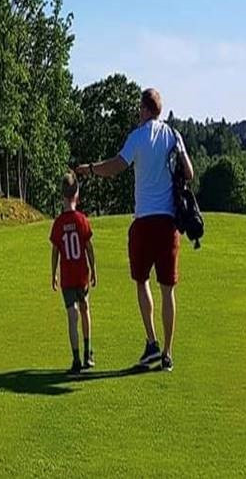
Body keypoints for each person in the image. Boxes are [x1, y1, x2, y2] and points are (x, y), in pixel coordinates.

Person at [76, 87, 194, 372]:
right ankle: (166, 354)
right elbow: (189, 172)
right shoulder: (173, 136)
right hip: (168, 223)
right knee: (168, 290)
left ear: (144, 109)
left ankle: (151, 342)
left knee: (141, 281)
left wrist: (89, 169)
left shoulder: (138, 136)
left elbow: (116, 166)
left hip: (143, 222)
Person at [50, 172, 97, 374]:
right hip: (82, 276)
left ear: (62, 196)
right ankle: (88, 353)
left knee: (72, 316)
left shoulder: (59, 223)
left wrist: (53, 274)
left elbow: (55, 252)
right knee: (85, 310)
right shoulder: (82, 220)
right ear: (76, 194)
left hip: (68, 278)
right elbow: (89, 247)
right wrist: (94, 269)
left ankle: (76, 358)